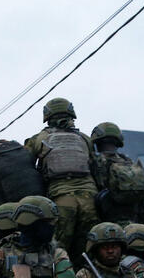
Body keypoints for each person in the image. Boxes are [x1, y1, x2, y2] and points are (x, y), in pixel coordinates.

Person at [23, 98, 99, 264]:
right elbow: (96, 167)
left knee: (58, 249)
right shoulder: (85, 138)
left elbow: (24, 165)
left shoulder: (39, 138)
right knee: (88, 249)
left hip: (61, 197)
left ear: (47, 116)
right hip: (90, 199)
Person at [90, 122, 144, 226]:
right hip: (132, 221)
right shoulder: (128, 162)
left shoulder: (96, 162)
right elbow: (143, 200)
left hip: (106, 222)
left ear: (97, 142)